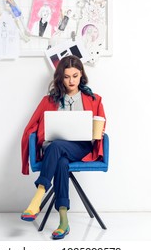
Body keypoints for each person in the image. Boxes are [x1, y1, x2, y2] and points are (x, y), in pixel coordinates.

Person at [20, 55, 106, 239]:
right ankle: (63, 222)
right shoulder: (49, 100)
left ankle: (38, 196)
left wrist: (96, 129)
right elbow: (34, 126)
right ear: (61, 77)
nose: (71, 81)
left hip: (80, 147)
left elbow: (100, 128)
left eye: (75, 76)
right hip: (55, 149)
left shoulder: (94, 99)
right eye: (67, 77)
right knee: (60, 161)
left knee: (57, 147)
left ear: (81, 74)